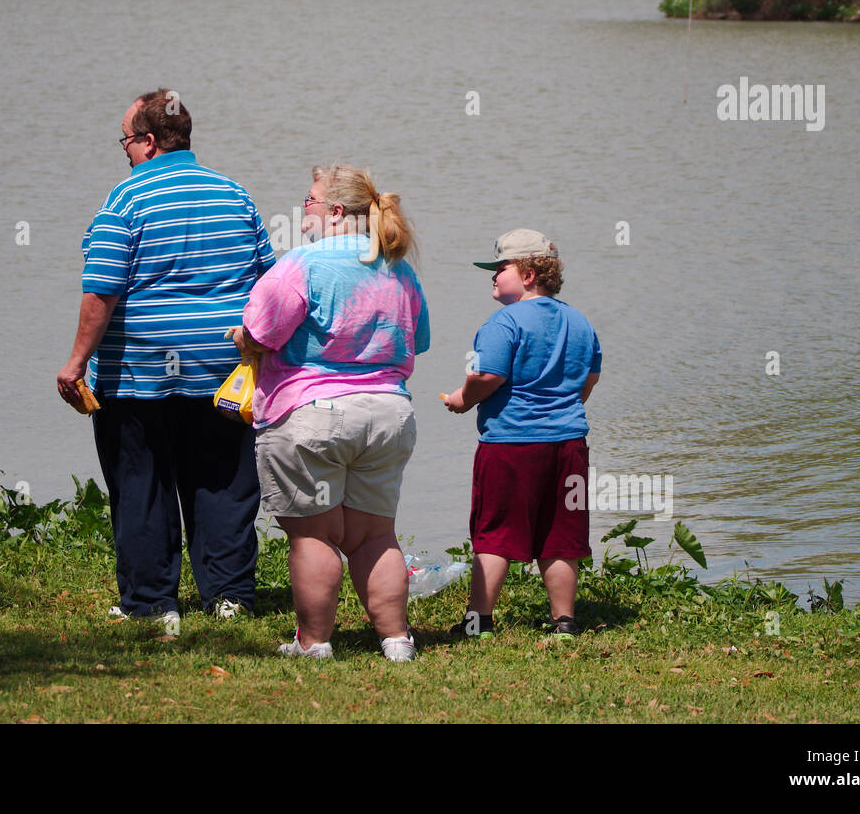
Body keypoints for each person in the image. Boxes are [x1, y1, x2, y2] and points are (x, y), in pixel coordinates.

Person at [56, 88, 275, 626]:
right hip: (221, 373)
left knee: (141, 483)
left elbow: (101, 289)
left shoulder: (126, 199)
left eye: (126, 141)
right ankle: (228, 598)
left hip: (138, 373)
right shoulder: (235, 195)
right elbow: (269, 283)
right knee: (223, 481)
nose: (125, 152)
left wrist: (76, 362)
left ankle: (152, 603)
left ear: (149, 141)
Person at [231, 165, 430, 662]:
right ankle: (397, 641)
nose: (303, 213)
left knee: (312, 535)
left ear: (336, 211)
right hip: (388, 412)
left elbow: (259, 333)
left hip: (313, 413)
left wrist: (241, 339)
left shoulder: (303, 264)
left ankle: (314, 643)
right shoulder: (399, 269)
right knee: (375, 535)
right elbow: (419, 341)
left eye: (310, 202)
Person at [442, 229, 601, 640]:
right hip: (569, 444)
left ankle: (479, 621)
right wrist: (563, 406)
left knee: (494, 532)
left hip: (511, 444)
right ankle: (564, 620)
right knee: (561, 533)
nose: (493, 276)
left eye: (501, 268)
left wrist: (463, 399)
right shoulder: (579, 320)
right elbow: (591, 376)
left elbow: (489, 374)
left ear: (529, 274)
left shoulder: (502, 323)